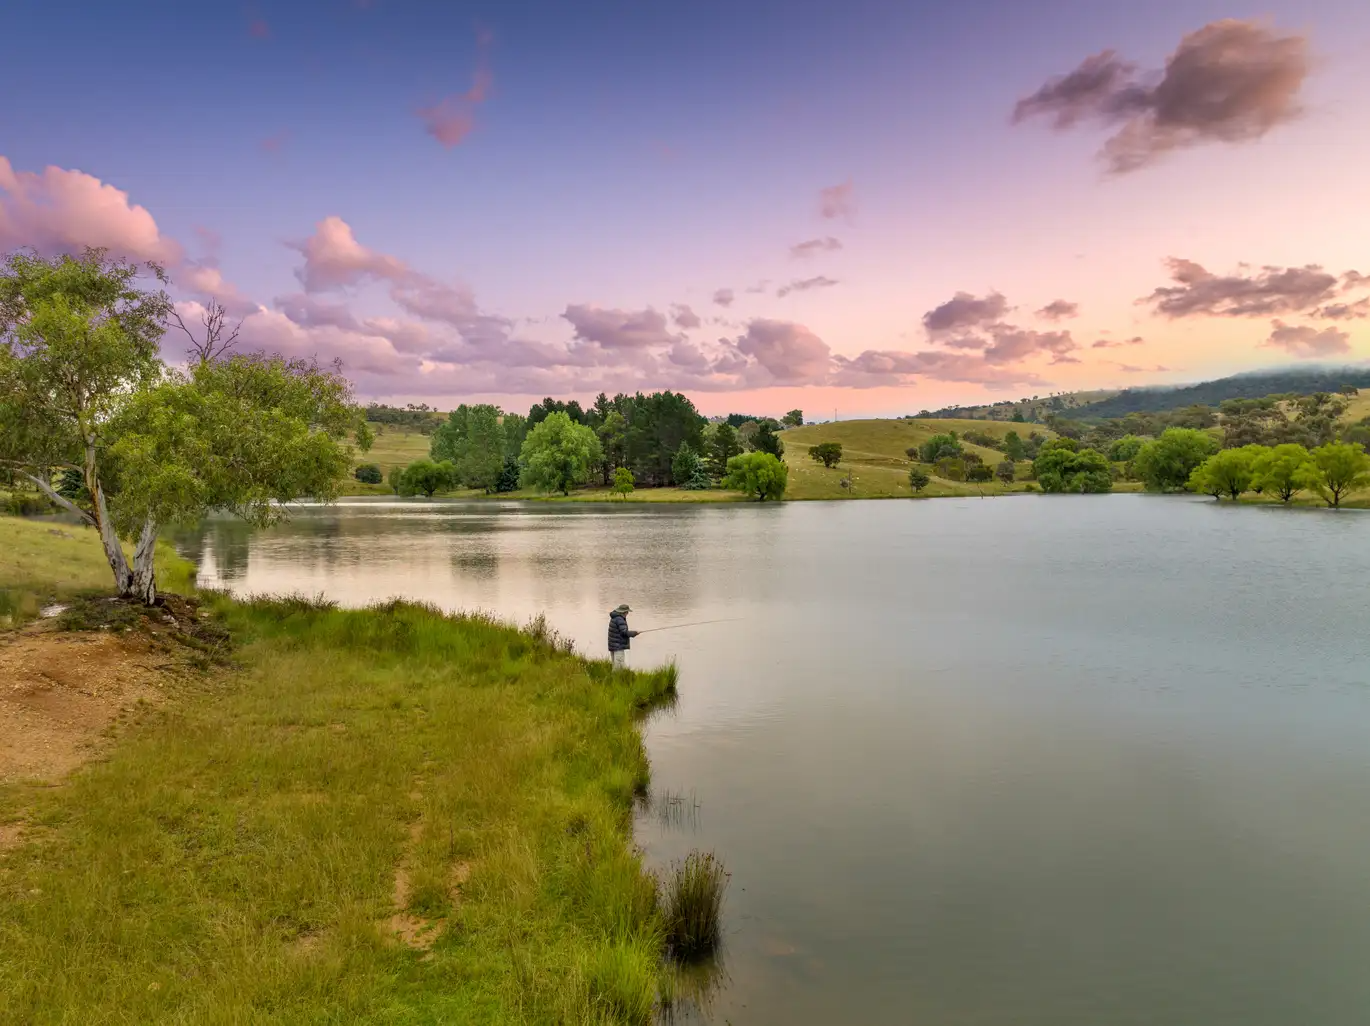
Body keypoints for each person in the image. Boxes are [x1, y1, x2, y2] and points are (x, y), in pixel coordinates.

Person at [608, 603, 638, 671]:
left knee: (616, 666)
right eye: (627, 612)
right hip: (618, 646)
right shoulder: (620, 620)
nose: (627, 613)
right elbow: (624, 632)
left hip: (613, 646)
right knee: (618, 668)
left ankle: (615, 679)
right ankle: (617, 680)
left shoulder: (614, 618)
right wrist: (634, 633)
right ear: (624, 612)